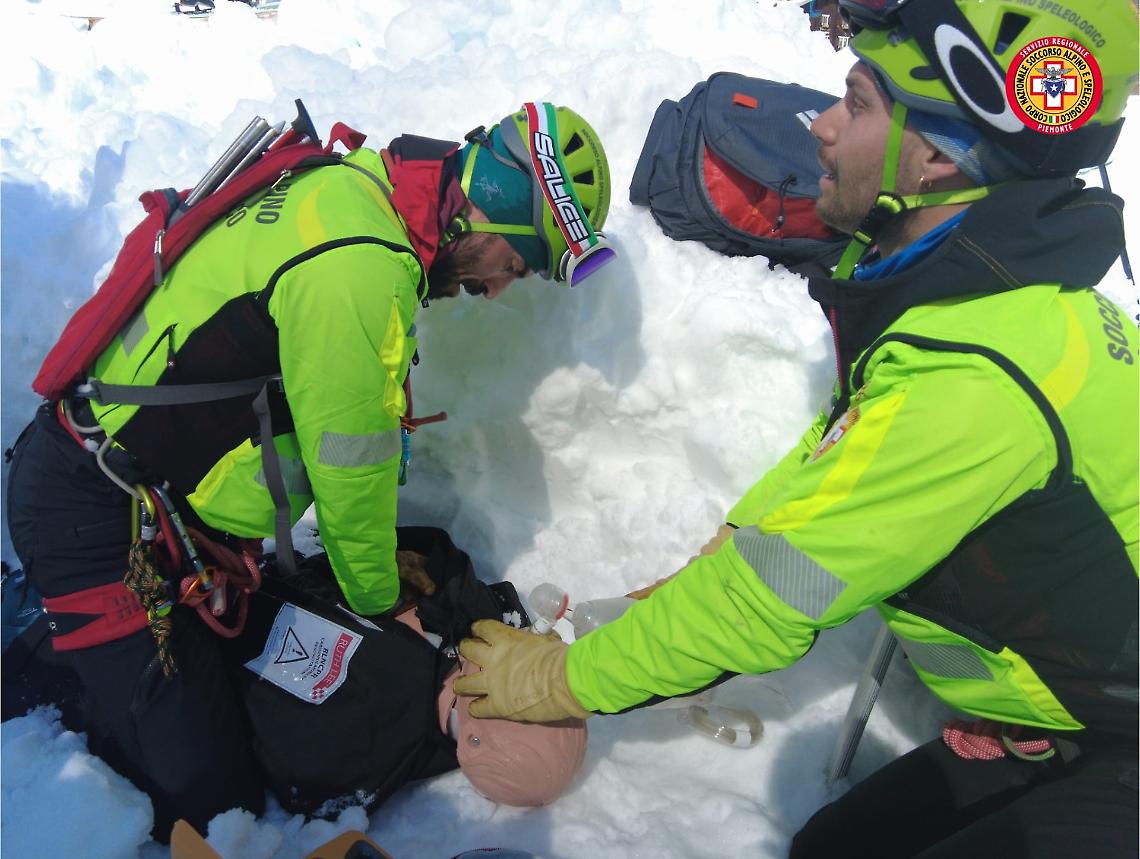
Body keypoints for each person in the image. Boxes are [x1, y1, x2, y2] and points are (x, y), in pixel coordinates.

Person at [453, 2, 1139, 856]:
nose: (817, 127)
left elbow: (769, 599)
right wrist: (731, 538)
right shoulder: (982, 301)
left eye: (855, 104)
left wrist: (563, 678)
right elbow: (842, 446)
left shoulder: (978, 378)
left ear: (930, 157)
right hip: (1068, 717)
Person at [4, 100, 611, 840]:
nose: (495, 290)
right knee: (215, 798)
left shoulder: (354, 188)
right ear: (489, 215)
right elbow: (349, 472)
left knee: (234, 677)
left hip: (137, 496)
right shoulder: (359, 269)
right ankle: (40, 642)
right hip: (96, 517)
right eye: (510, 265)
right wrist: (381, 603)